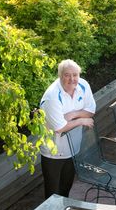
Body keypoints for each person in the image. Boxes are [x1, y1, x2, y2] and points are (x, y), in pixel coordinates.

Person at [39, 59, 96, 199]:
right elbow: (60, 128)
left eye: (75, 74)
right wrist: (82, 120)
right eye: (67, 75)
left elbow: (91, 111)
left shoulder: (83, 85)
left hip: (73, 148)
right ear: (60, 76)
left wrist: (74, 114)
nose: (72, 79)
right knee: (52, 194)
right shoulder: (52, 97)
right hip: (53, 153)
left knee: (66, 188)